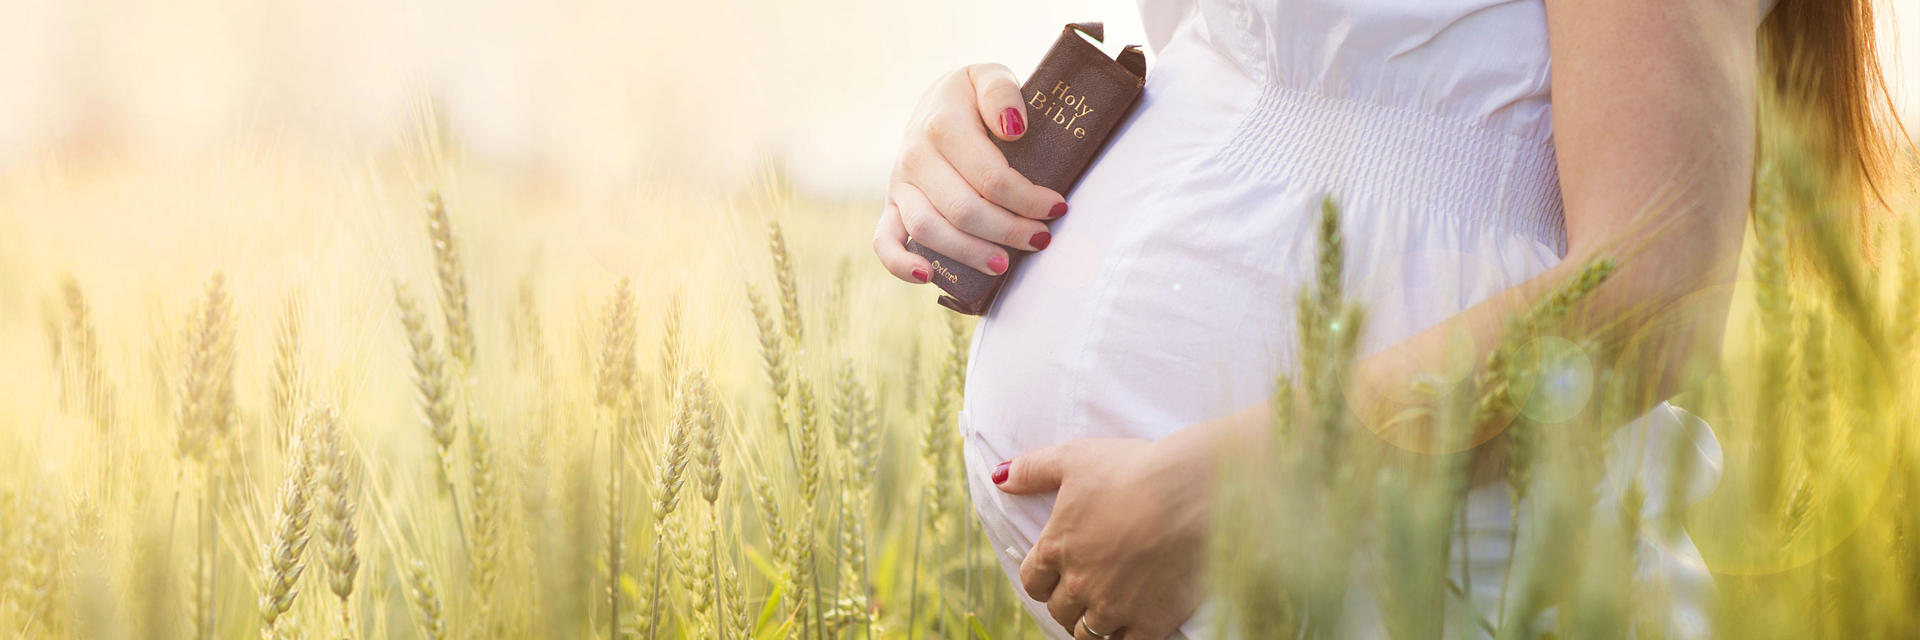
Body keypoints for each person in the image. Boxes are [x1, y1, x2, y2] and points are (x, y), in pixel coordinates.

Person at [871, 1, 1900, 638]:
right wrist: (967, 122)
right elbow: (1238, 71)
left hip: (1440, 578)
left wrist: (1246, 487)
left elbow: (1652, 287)